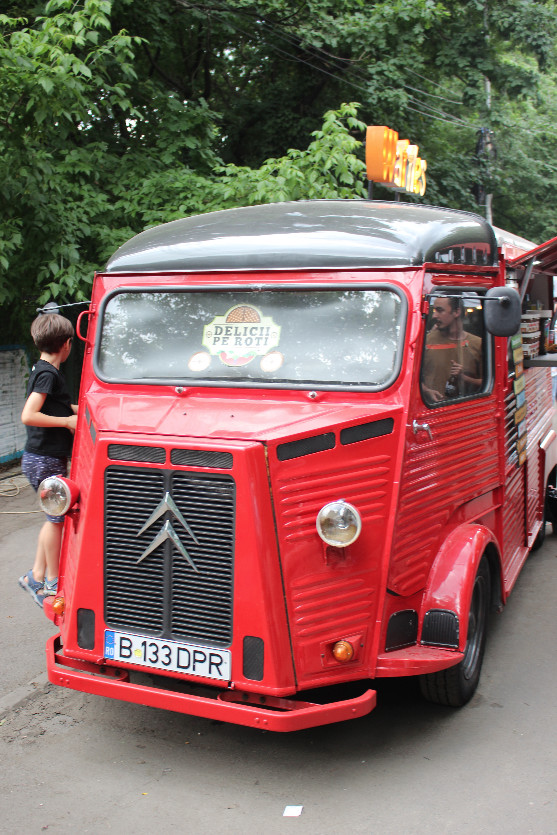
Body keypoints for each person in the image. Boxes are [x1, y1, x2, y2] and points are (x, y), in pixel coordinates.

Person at [18, 312, 78, 607]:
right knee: (57, 522)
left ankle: (35, 576)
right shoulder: (47, 374)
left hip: (40, 458)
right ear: (67, 344)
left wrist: (81, 412)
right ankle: (53, 584)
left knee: (52, 519)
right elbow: (30, 414)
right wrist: (68, 421)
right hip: (44, 459)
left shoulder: (45, 370)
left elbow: (61, 405)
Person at [422, 294, 483, 404]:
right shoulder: (426, 341)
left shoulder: (478, 344)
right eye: (434, 310)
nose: (434, 315)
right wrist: (426, 391)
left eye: (439, 310)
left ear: (456, 312)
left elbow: (491, 384)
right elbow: (410, 378)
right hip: (431, 411)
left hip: (465, 411)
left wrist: (464, 378)